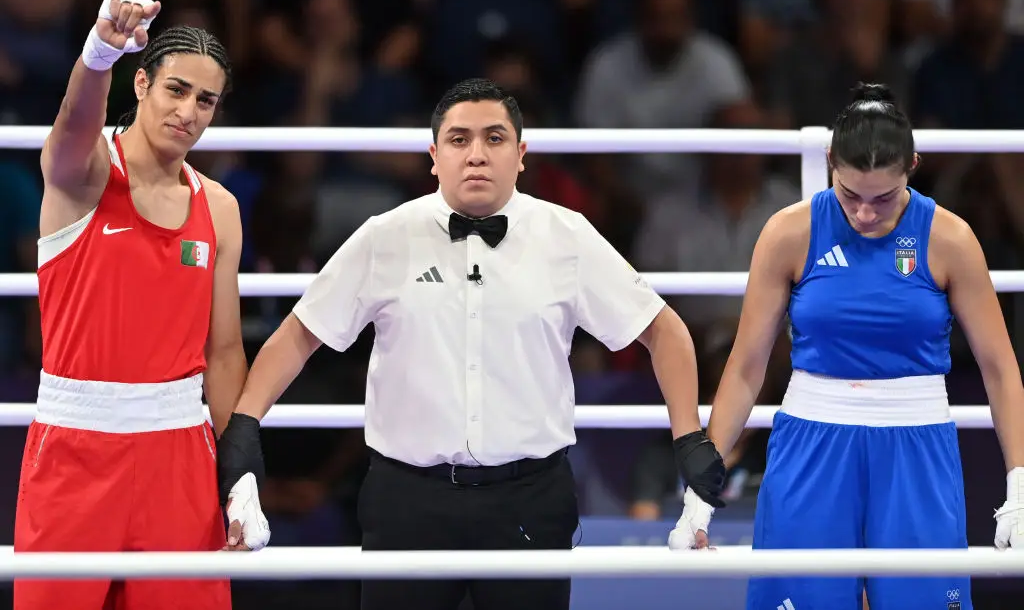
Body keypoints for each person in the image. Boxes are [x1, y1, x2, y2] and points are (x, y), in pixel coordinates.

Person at [214, 78, 728, 610]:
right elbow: (299, 335)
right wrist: (244, 430)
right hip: (408, 496)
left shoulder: (566, 236)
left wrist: (688, 438)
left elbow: (664, 330)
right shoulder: (385, 236)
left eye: (494, 139)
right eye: (459, 140)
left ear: (521, 154)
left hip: (530, 496)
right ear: (434, 156)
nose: (476, 154)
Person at [687, 83, 1024, 610]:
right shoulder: (788, 233)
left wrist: (1020, 484)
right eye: (850, 196)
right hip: (811, 445)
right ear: (828, 164)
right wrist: (702, 482)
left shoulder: (950, 240)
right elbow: (747, 365)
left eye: (883, 198)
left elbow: (1001, 369)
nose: (865, 215)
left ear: (912, 166)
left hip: (917, 446)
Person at [14, 0, 268, 610]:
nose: (188, 111)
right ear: (142, 84)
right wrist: (100, 50)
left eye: (205, 100)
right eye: (175, 90)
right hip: (74, 446)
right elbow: (71, 130)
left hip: (179, 452)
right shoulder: (85, 172)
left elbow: (226, 347)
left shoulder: (221, 208)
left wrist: (238, 472)